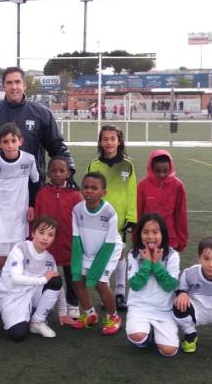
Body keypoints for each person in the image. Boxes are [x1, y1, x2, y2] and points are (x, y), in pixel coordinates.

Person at [0, 66, 74, 184]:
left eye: (17, 82)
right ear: (3, 86)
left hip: (30, 185)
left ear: (24, 85)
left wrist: (70, 169)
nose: (14, 87)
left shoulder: (42, 113)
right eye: (9, 83)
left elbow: (56, 146)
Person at [0, 122, 40, 321]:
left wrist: (32, 206)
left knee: (17, 261)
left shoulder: (29, 160)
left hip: (18, 217)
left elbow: (35, 183)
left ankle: (14, 302)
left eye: (13, 141)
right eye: (5, 142)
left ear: (20, 141)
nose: (10, 145)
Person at [87, 125, 137, 311]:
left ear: (119, 141)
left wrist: (131, 217)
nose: (109, 142)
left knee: (120, 254)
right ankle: (105, 294)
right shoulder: (94, 165)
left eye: (113, 138)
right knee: (102, 254)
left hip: (120, 219)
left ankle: (120, 293)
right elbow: (89, 190)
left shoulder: (128, 165)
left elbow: (132, 192)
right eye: (105, 139)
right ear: (100, 142)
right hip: (99, 218)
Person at [70, 172, 124, 335]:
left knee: (100, 282)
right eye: (86, 187)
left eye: (94, 188)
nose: (89, 191)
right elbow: (76, 239)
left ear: (103, 192)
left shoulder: (109, 212)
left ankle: (113, 317)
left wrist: (95, 270)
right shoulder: (77, 210)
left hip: (108, 249)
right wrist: (77, 266)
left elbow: (109, 244)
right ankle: (90, 314)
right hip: (88, 248)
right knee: (77, 280)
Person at [0, 216, 63, 341]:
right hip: (11, 296)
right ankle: (21, 315)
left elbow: (58, 286)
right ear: (33, 233)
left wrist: (63, 312)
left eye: (50, 235)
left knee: (55, 280)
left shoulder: (50, 259)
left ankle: (37, 321)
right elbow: (16, 278)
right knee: (18, 335)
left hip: (33, 294)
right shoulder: (20, 249)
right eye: (41, 232)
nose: (45, 238)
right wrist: (43, 280)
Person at [35, 156, 83, 321]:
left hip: (69, 242)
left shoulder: (75, 195)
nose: (57, 174)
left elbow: (81, 219)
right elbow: (37, 217)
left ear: (68, 173)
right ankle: (43, 303)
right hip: (47, 244)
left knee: (71, 275)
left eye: (61, 171)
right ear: (48, 173)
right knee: (47, 274)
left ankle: (73, 303)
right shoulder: (42, 193)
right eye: (54, 170)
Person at [126, 213, 180, 357]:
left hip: (164, 309)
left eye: (155, 232)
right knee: (137, 337)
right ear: (140, 234)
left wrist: (156, 264)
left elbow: (170, 286)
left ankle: (155, 332)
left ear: (163, 234)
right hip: (139, 307)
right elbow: (135, 285)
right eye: (145, 232)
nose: (150, 236)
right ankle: (147, 334)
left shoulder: (172, 255)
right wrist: (147, 263)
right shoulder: (133, 254)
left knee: (169, 351)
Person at [137, 150, 189, 252]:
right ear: (151, 169)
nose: (161, 174)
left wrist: (182, 239)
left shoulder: (178, 186)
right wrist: (137, 237)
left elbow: (181, 215)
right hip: (149, 238)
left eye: (165, 171)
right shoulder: (143, 185)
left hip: (170, 238)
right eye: (157, 171)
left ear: (171, 168)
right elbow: (139, 212)